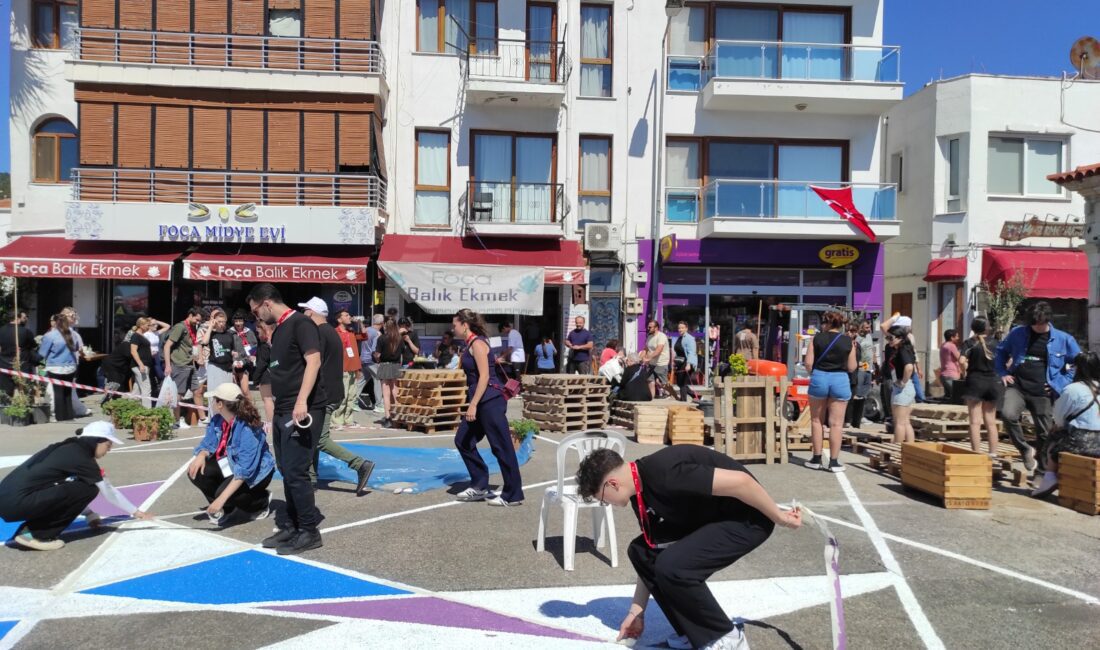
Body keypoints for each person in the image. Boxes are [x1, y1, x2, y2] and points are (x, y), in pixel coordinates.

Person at [575, 445, 801, 650]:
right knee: (641, 551)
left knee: (674, 566)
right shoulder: (640, 492)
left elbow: (742, 482)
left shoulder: (664, 473)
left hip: (748, 519)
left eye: (603, 499)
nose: (607, 504)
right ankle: (692, 634)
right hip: (713, 519)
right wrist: (637, 612)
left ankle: (727, 638)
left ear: (612, 484)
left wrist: (780, 517)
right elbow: (654, 548)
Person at [248, 283, 325, 555]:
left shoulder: (301, 324)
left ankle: (309, 531)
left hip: (302, 408)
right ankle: (293, 526)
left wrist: (302, 401)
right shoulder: (279, 330)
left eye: (255, 311)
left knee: (296, 470)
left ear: (267, 303)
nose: (256, 317)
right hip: (283, 408)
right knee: (286, 469)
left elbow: (313, 361)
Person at [0, 421, 152, 551]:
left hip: (8, 501)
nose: (109, 449)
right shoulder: (82, 458)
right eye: (108, 444)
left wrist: (89, 514)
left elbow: (65, 490)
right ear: (97, 441)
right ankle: (35, 534)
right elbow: (108, 492)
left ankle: (31, 532)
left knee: (79, 486)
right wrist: (137, 513)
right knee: (90, 488)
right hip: (17, 503)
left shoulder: (69, 448)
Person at [299, 299, 375, 494]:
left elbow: (315, 364)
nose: (304, 314)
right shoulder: (331, 332)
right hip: (331, 391)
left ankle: (360, 464)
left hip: (324, 393)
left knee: (319, 439)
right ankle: (312, 479)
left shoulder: (320, 333)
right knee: (312, 436)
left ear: (312, 312)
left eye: (305, 310)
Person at [995, 301, 1081, 473]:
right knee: (1007, 414)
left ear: (1047, 320)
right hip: (1017, 386)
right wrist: (1003, 372)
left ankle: (1042, 470)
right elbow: (1001, 351)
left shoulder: (1064, 339)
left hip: (1043, 391)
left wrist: (1062, 382)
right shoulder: (1018, 333)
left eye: (1040, 324)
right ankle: (1025, 449)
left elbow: (1078, 363)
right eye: (1033, 324)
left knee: (1045, 432)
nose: (1036, 327)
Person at [451, 309, 524, 507]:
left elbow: (484, 376)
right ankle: (479, 484)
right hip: (480, 400)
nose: (453, 328)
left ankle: (513, 494)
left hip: (489, 401)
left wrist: (473, 404)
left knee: (501, 446)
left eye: (455, 324)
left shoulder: (478, 344)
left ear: (464, 325)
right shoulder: (470, 344)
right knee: (463, 440)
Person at [187, 383, 277, 526]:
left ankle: (260, 502)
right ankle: (226, 509)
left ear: (220, 404)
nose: (211, 403)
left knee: (224, 494)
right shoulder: (217, 420)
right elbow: (208, 444)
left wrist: (221, 499)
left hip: (257, 473)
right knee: (196, 471)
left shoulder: (247, 429)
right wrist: (201, 455)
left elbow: (244, 471)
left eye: (214, 400)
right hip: (231, 465)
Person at [1032, 351, 1100, 497]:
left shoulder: (1072, 389)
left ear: (1078, 368)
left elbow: (1058, 418)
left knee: (1053, 437)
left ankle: (1049, 476)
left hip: (1080, 441)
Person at [804, 311, 857, 472]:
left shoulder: (816, 339)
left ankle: (816, 458)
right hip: (840, 379)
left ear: (826, 323)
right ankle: (834, 462)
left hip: (820, 377)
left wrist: (815, 374)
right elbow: (852, 367)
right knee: (836, 424)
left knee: (816, 421)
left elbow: (808, 363)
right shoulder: (848, 341)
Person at [960, 318, 1002, 455]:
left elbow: (961, 360)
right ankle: (993, 453)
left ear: (972, 328)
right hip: (993, 381)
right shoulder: (996, 343)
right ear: (987, 328)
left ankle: (976, 453)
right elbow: (1008, 360)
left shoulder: (969, 343)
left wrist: (964, 372)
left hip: (975, 381)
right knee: (991, 421)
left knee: (974, 422)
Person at [164, 308, 205, 428]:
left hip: (190, 364)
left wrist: (197, 357)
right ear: (190, 315)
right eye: (197, 319)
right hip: (179, 364)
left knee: (197, 391)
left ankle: (203, 419)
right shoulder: (180, 327)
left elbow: (193, 345)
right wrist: (168, 365)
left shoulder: (193, 327)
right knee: (178, 394)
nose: (198, 322)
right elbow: (167, 346)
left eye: (200, 321)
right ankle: (176, 421)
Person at [38, 314, 83, 422]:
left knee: (58, 392)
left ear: (55, 322)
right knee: (67, 392)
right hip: (71, 366)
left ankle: (60, 417)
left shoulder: (50, 335)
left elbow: (42, 353)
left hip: (55, 366)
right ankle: (69, 416)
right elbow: (77, 348)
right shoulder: (74, 334)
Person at [204, 309, 246, 419]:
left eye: (223, 321)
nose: (221, 324)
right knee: (214, 394)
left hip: (227, 367)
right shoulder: (212, 334)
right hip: (215, 366)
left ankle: (225, 417)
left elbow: (231, 350)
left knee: (226, 394)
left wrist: (233, 354)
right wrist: (210, 326)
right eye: (219, 321)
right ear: (215, 321)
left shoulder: (229, 334)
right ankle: (213, 418)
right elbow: (204, 342)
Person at [331, 309, 364, 429]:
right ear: (339, 319)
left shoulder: (351, 331)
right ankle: (336, 421)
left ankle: (348, 419)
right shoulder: (334, 332)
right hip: (342, 368)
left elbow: (364, 335)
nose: (349, 316)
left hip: (353, 368)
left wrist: (360, 322)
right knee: (343, 396)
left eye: (349, 315)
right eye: (346, 315)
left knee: (352, 396)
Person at [887, 325, 917, 443]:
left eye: (891, 338)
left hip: (903, 388)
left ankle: (897, 449)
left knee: (899, 423)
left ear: (900, 338)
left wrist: (903, 382)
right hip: (907, 387)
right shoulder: (903, 348)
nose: (888, 340)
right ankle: (910, 449)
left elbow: (909, 367)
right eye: (887, 338)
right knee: (905, 422)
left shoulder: (903, 350)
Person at [0, 311, 37, 399]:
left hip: (4, 363)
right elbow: (33, 345)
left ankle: (6, 405)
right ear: (18, 318)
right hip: (22, 363)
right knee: (24, 390)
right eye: (21, 318)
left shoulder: (1, 330)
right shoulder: (26, 331)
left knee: (7, 392)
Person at [373, 319, 403, 428]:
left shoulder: (382, 338)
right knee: (395, 391)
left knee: (386, 394)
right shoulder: (399, 338)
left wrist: (376, 357)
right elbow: (402, 353)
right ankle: (398, 416)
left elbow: (378, 354)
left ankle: (388, 418)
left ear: (386, 326)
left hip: (385, 365)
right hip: (396, 365)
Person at [846, 320, 875, 428]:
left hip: (869, 368)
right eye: (866, 327)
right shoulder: (857, 338)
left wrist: (875, 364)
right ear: (861, 328)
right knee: (857, 393)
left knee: (864, 393)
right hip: (860, 368)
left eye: (870, 327)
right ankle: (855, 417)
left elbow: (872, 350)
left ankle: (860, 416)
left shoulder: (869, 336)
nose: (869, 329)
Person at [102, 325, 137, 405]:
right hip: (113, 366)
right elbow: (129, 355)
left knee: (118, 384)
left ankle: (115, 401)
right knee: (115, 384)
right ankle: (108, 402)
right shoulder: (126, 344)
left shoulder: (127, 344)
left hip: (118, 366)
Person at [128, 318, 159, 407]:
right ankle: (147, 410)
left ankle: (129, 407)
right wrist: (140, 364)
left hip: (145, 364)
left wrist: (150, 353)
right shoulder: (135, 336)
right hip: (140, 365)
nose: (148, 327)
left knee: (137, 389)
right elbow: (133, 351)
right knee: (146, 388)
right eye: (147, 325)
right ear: (141, 325)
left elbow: (142, 350)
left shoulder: (142, 336)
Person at [252, 320, 275, 429]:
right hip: (273, 374)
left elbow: (262, 364)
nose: (258, 335)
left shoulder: (264, 345)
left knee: (267, 400)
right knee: (270, 399)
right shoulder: (273, 343)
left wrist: (256, 378)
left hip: (266, 375)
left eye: (258, 332)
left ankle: (270, 422)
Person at [358, 314, 383, 412]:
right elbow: (374, 349)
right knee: (378, 380)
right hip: (371, 360)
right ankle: (379, 404)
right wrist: (378, 360)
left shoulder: (367, 330)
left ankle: (353, 401)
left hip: (363, 358)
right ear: (382, 323)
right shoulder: (377, 333)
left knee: (362, 380)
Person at [231, 311, 258, 396]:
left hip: (244, 363)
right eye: (236, 321)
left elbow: (254, 347)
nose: (238, 323)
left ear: (244, 321)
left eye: (240, 321)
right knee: (233, 391)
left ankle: (250, 405)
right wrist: (233, 360)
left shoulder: (249, 332)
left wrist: (244, 360)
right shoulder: (229, 332)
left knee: (245, 390)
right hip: (232, 364)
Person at [671, 321, 698, 402]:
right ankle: (696, 396)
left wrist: (689, 364)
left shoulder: (689, 338)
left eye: (682, 328)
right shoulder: (680, 338)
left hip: (687, 362)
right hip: (680, 362)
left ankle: (683, 401)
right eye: (679, 328)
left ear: (686, 328)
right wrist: (674, 362)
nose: (680, 329)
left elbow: (691, 352)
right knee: (679, 383)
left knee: (682, 383)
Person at [644, 320, 671, 399]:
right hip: (651, 363)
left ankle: (668, 394)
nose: (648, 328)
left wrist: (648, 358)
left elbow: (658, 350)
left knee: (662, 382)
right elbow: (646, 349)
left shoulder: (661, 336)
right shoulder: (649, 337)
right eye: (648, 327)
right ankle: (651, 397)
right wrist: (641, 357)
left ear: (656, 328)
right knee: (650, 380)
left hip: (660, 363)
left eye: (650, 327)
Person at [939, 329, 962, 402]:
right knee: (957, 397)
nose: (958, 338)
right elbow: (959, 358)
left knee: (948, 397)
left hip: (944, 375)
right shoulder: (952, 346)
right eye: (957, 336)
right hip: (951, 375)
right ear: (952, 337)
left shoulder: (943, 345)